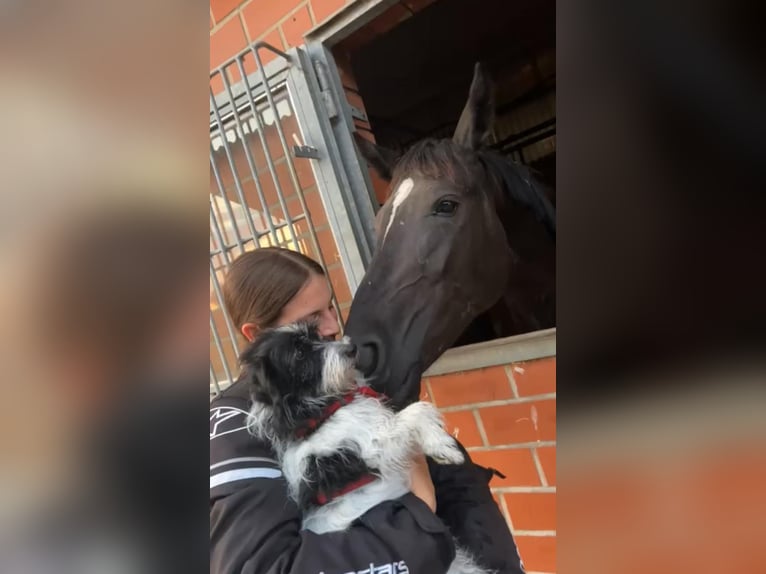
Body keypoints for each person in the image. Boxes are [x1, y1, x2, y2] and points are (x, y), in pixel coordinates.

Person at [210, 247, 525, 574]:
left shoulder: (344, 378)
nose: (334, 325)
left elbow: (450, 476)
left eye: (330, 306)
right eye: (312, 319)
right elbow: (265, 566)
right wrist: (418, 514)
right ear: (258, 334)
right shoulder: (234, 423)